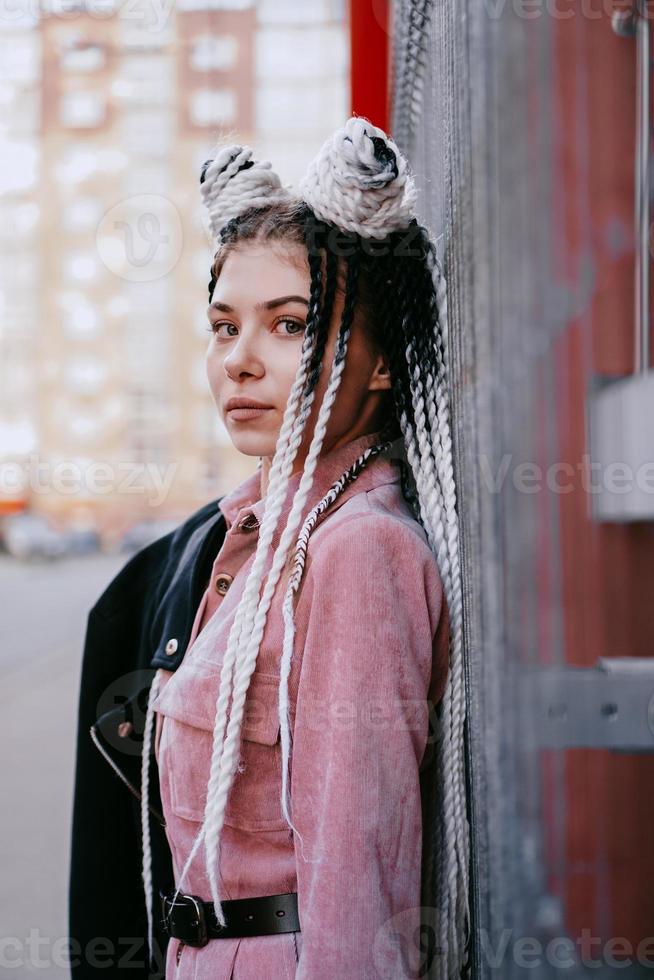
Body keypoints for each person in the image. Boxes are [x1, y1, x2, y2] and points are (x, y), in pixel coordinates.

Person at [68, 116, 469, 980]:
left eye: (289, 325)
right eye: (223, 326)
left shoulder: (358, 550)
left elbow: (360, 890)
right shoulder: (240, 540)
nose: (240, 361)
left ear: (380, 364)